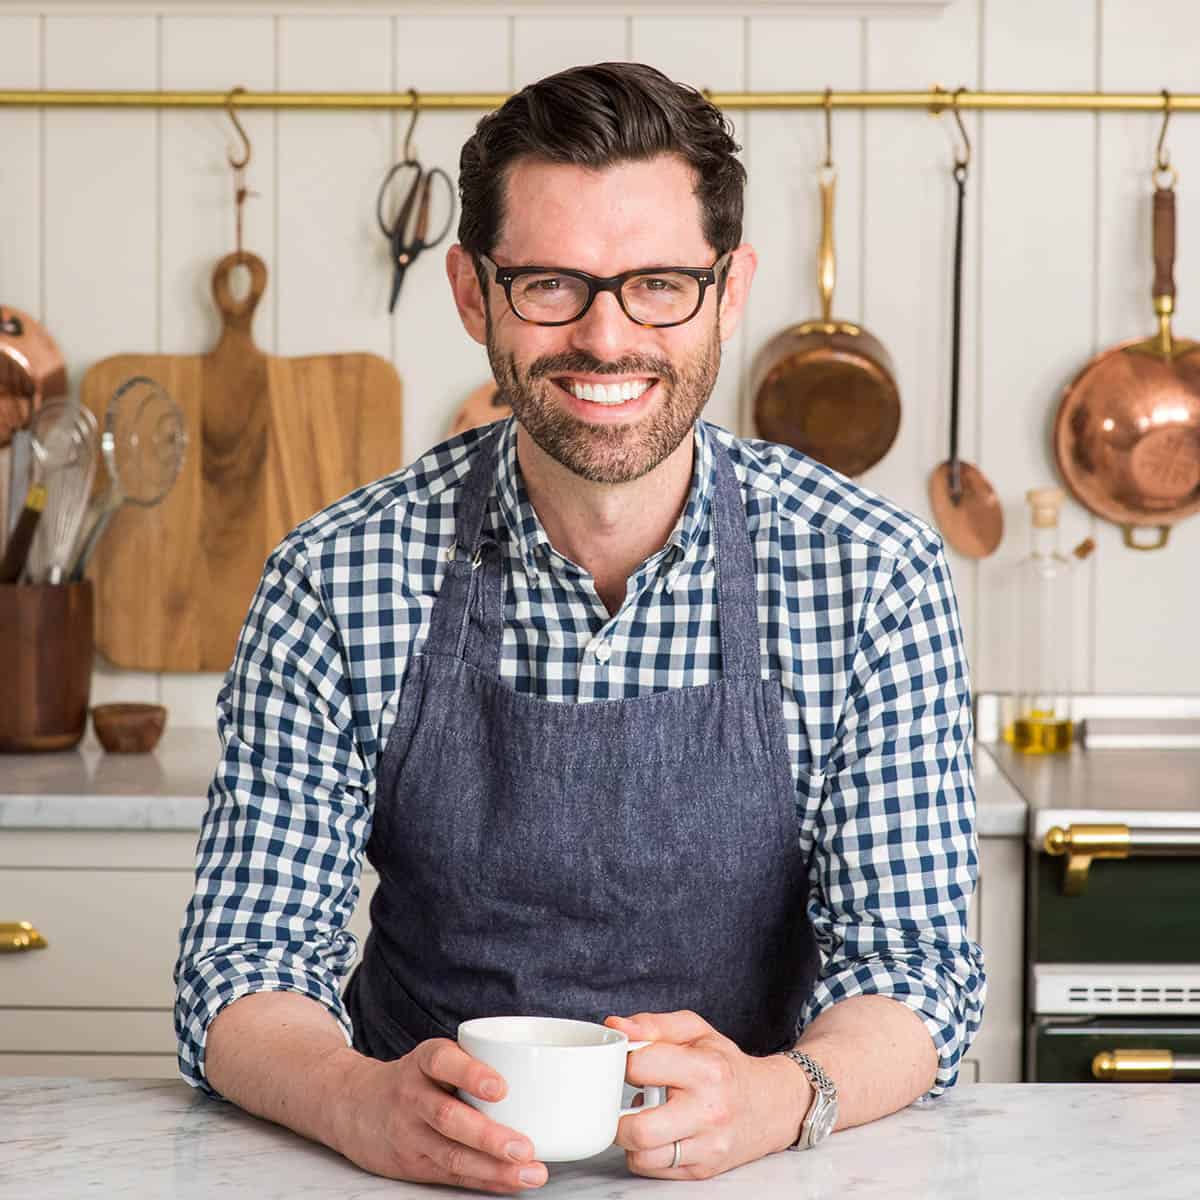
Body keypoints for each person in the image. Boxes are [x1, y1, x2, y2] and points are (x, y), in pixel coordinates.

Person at [175, 61, 985, 1194]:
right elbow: (238, 966)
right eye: (552, 284)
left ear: (730, 287)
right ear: (475, 294)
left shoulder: (873, 572)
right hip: (409, 1169)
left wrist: (779, 1096)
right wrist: (360, 1101)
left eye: (659, 284)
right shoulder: (335, 574)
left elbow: (917, 969)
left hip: (755, 1167)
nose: (606, 339)